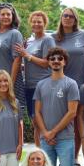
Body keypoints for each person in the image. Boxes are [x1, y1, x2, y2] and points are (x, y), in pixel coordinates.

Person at [33, 47, 79, 166]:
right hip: (46, 139)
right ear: (49, 62)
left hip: (65, 139)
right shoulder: (41, 85)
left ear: (64, 62)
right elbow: (36, 112)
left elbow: (72, 112)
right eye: (52, 59)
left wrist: (53, 132)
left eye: (60, 58)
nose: (56, 61)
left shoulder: (71, 84)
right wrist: (45, 132)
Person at [52, 7, 84, 166]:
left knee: (76, 122)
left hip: (80, 85)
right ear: (61, 18)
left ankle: (74, 158)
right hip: (59, 86)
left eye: (71, 16)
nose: (67, 18)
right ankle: (59, 159)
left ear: (75, 20)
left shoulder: (83, 36)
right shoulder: (53, 38)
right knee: (60, 122)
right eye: (65, 15)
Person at [14, 11, 55, 145]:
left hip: (43, 86)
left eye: (39, 22)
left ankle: (47, 153)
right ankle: (39, 152)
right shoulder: (29, 41)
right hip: (29, 86)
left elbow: (47, 63)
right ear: (30, 23)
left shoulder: (48, 40)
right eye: (34, 21)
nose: (36, 24)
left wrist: (27, 55)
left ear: (44, 24)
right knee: (35, 122)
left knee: (43, 121)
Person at [0, 3, 26, 110]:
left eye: (8, 14)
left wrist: (10, 83)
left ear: (13, 17)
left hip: (8, 80)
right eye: (3, 14)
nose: (6, 17)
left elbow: (17, 60)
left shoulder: (15, 34)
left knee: (11, 113)